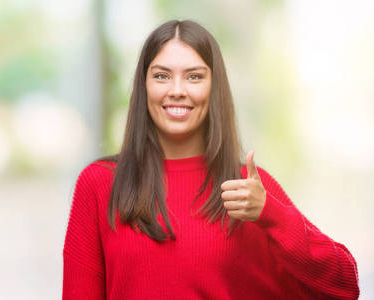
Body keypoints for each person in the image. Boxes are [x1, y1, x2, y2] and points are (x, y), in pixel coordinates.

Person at [62, 19, 360, 299]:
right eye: (162, 76)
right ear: (144, 86)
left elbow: (345, 285)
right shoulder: (100, 183)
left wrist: (270, 213)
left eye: (194, 77)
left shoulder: (248, 188)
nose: (177, 91)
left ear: (213, 87)